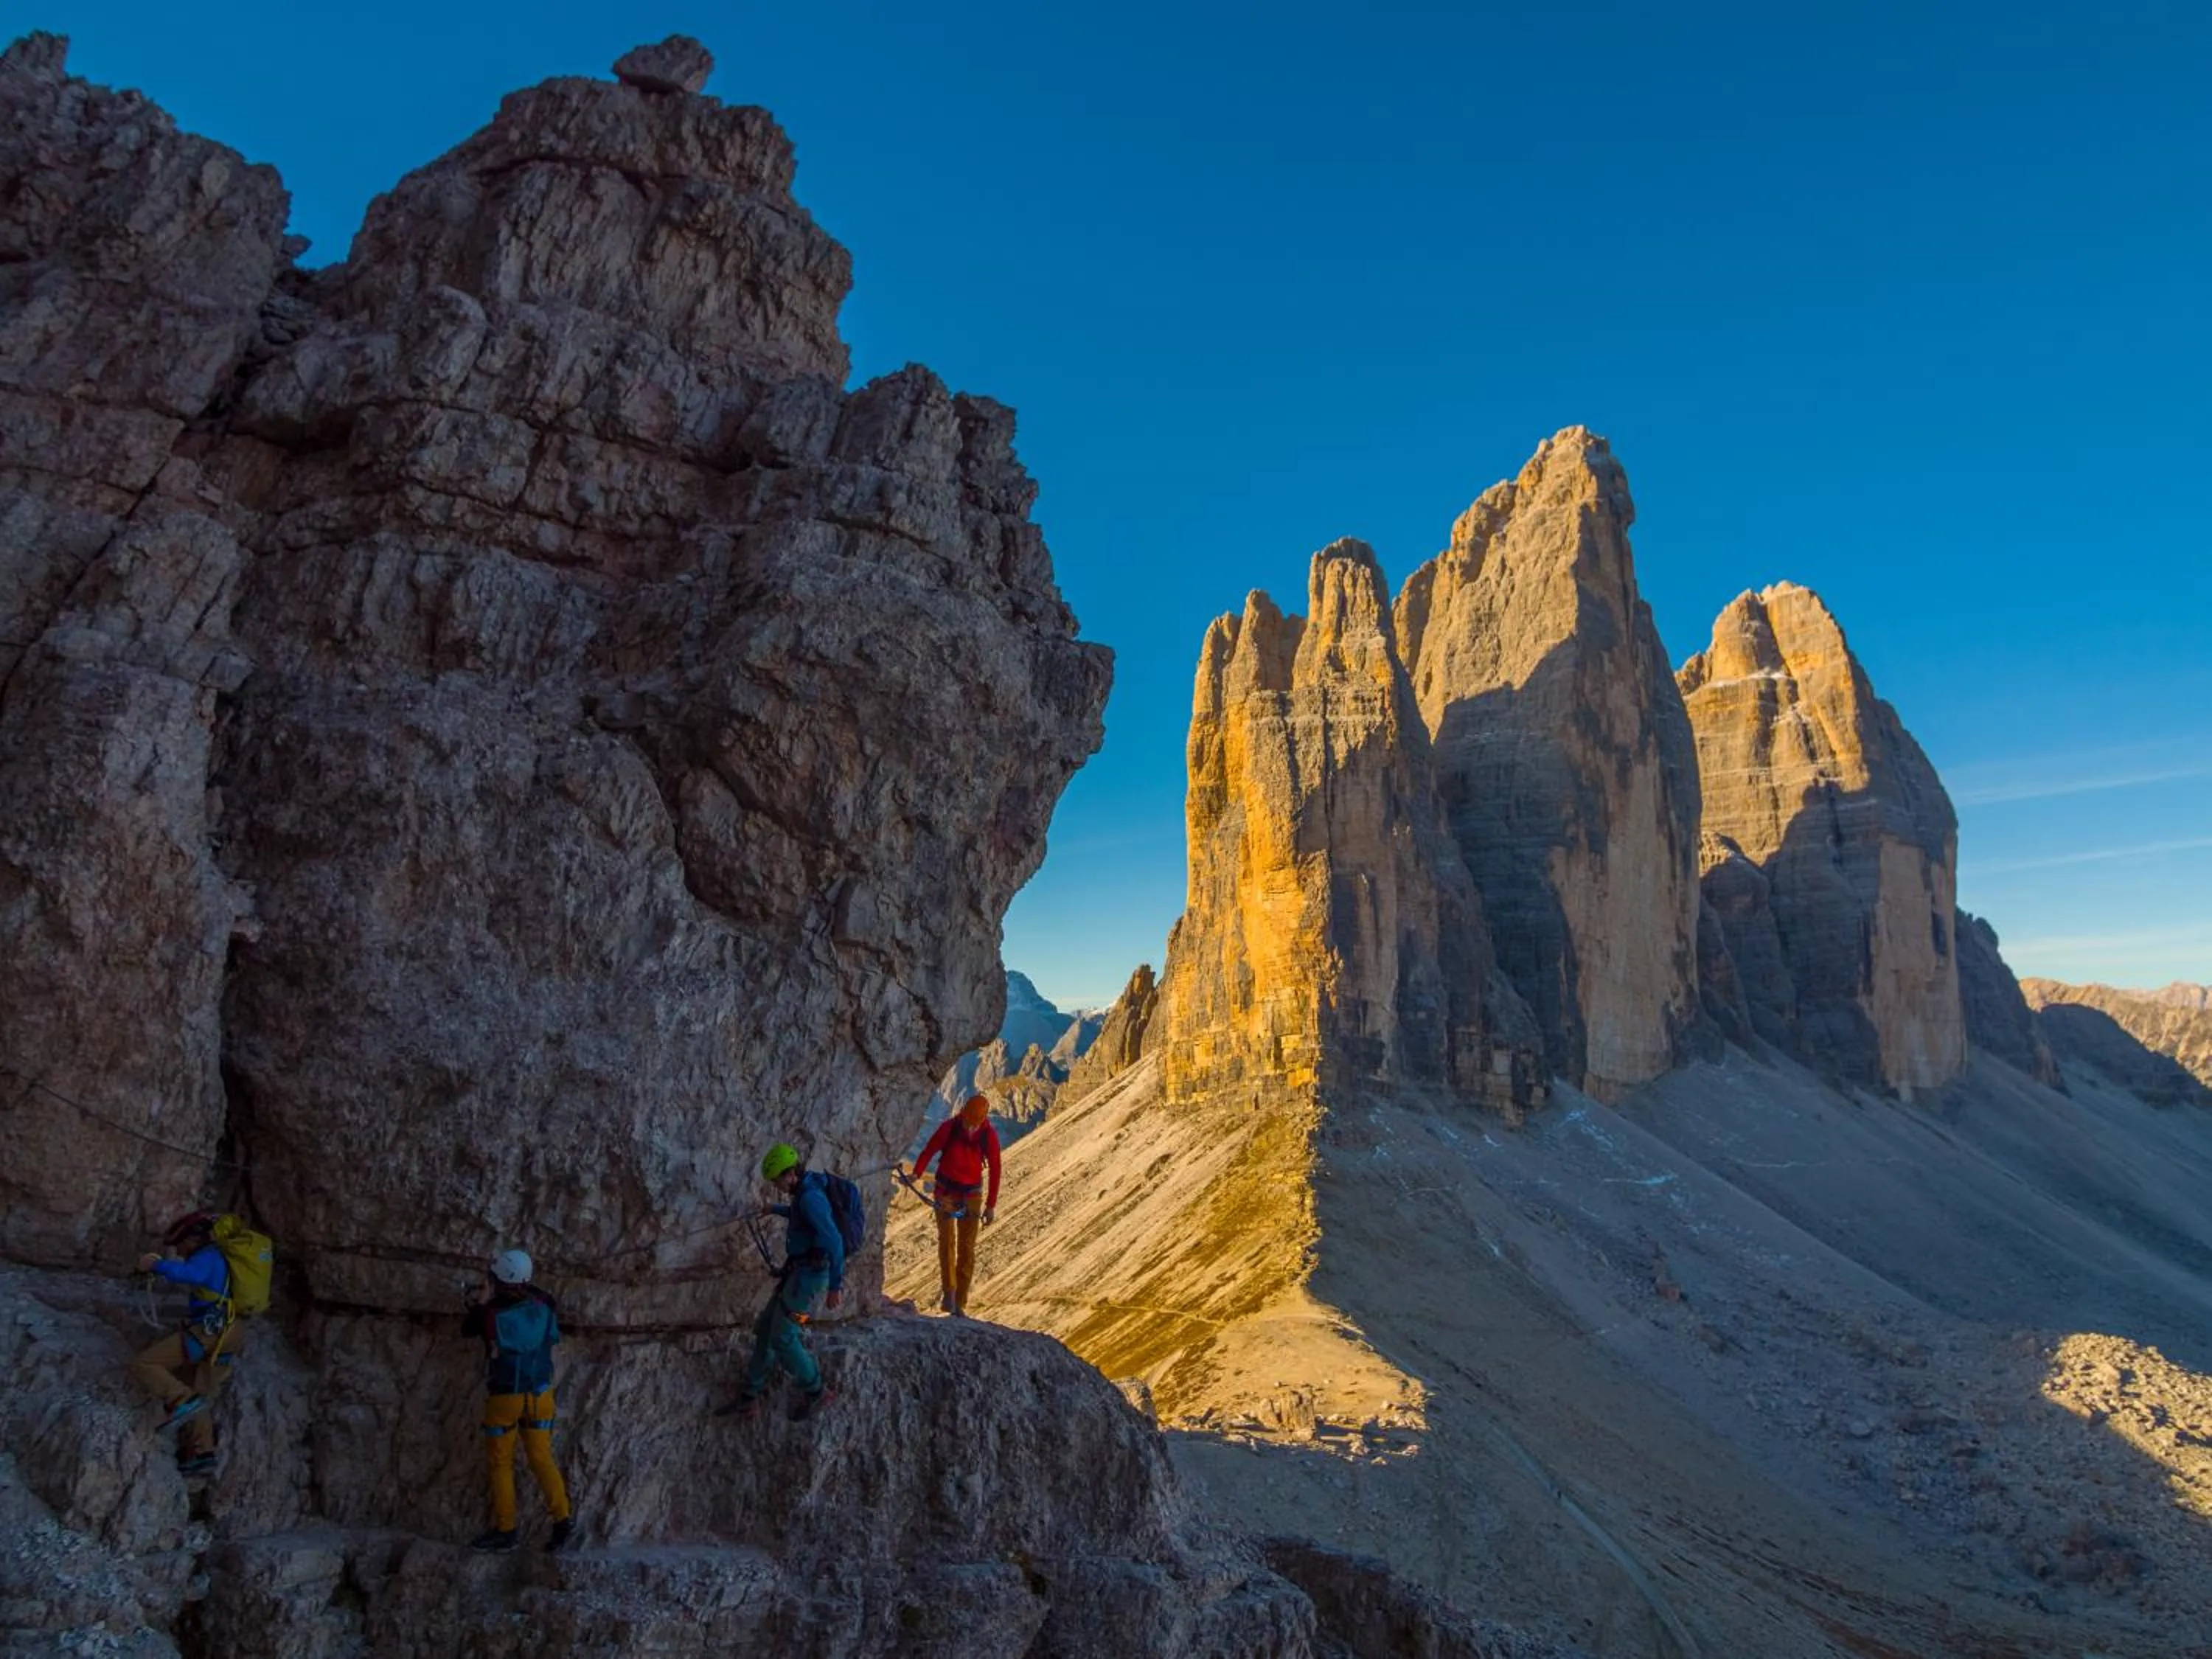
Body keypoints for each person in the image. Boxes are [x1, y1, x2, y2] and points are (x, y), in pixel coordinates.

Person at [719, 1144, 844, 1422]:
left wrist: (836, 1285)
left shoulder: (810, 1197)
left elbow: (834, 1239)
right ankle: (749, 1398)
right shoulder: (805, 1190)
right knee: (766, 1328)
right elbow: (801, 1214)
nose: (776, 1186)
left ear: (789, 1175)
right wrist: (775, 1209)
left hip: (808, 1281)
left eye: (777, 1180)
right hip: (798, 1275)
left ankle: (817, 1392)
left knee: (784, 1336)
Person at [461, 1248, 574, 1554]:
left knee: (501, 1463)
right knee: (540, 1456)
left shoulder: (491, 1314)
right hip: (540, 1393)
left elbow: (467, 1328)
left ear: (497, 1279)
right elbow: (536, 1300)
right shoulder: (544, 1302)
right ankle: (562, 1520)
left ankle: (507, 1530)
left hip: (505, 1398)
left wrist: (481, 1300)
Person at [129, 1211, 239, 1479]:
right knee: (199, 1394)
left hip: (210, 1332)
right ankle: (202, 1455)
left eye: (180, 1244)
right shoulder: (218, 1257)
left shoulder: (208, 1257)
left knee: (144, 1363)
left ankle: (180, 1400)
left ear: (193, 1239)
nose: (178, 1250)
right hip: (229, 1332)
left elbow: (189, 1274)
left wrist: (156, 1265)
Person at [908, 1094, 1002, 1316]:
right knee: (947, 1242)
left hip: (971, 1194)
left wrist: (991, 1205)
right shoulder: (951, 1127)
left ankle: (960, 1302)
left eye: (976, 1121)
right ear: (963, 1114)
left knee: (967, 1247)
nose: (972, 1124)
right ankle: (949, 1292)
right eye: (969, 1120)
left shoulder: (988, 1135)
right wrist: (917, 1173)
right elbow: (929, 1150)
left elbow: (996, 1169)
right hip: (946, 1191)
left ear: (983, 1119)